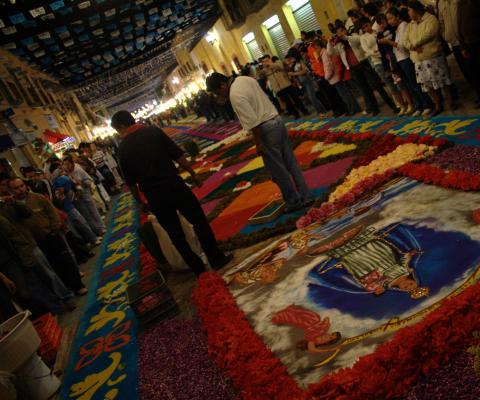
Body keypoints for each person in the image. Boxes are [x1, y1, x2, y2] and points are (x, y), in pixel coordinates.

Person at [111, 111, 231, 276]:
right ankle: (216, 258)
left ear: (122, 126)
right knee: (198, 220)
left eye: (117, 130)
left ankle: (198, 269)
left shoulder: (123, 149)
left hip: (155, 196)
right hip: (174, 185)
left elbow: (131, 183)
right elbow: (178, 155)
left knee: (176, 234)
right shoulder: (153, 131)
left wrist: (140, 202)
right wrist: (193, 173)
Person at [206, 73, 315, 213]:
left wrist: (258, 143)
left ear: (222, 85)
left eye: (217, 92)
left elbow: (253, 122)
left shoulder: (234, 95)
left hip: (266, 129)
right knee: (291, 162)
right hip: (277, 120)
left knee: (278, 170)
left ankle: (293, 201)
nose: (219, 96)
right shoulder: (244, 79)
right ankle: (307, 196)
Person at [2, 177, 88, 296]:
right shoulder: (9, 207)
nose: (20, 190)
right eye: (16, 188)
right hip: (34, 242)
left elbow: (52, 212)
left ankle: (78, 286)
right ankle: (68, 288)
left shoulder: (37, 197)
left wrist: (54, 228)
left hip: (50, 235)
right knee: (54, 266)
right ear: (10, 191)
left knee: (65, 260)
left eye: (21, 186)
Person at [404, 1, 456, 116]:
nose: (408, 12)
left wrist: (416, 43)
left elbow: (430, 33)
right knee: (428, 84)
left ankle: (451, 101)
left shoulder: (430, 19)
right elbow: (405, 40)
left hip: (432, 56)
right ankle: (438, 104)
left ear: (415, 10)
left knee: (443, 80)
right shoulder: (410, 25)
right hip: (418, 59)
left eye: (409, 10)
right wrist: (411, 46)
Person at [382, 7, 434, 115]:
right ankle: (418, 106)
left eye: (391, 18)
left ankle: (427, 104)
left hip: (406, 58)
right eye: (388, 19)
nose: (389, 21)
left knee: (415, 84)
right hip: (400, 60)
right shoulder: (397, 28)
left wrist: (388, 41)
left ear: (398, 16)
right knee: (409, 85)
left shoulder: (404, 25)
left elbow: (402, 45)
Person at [59, 157, 106, 235]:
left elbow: (89, 180)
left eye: (67, 164)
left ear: (72, 164)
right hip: (77, 195)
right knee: (86, 213)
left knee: (92, 210)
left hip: (85, 191)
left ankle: (101, 227)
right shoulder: (65, 173)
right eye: (64, 164)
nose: (66, 166)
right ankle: (96, 230)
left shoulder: (78, 169)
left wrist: (79, 182)